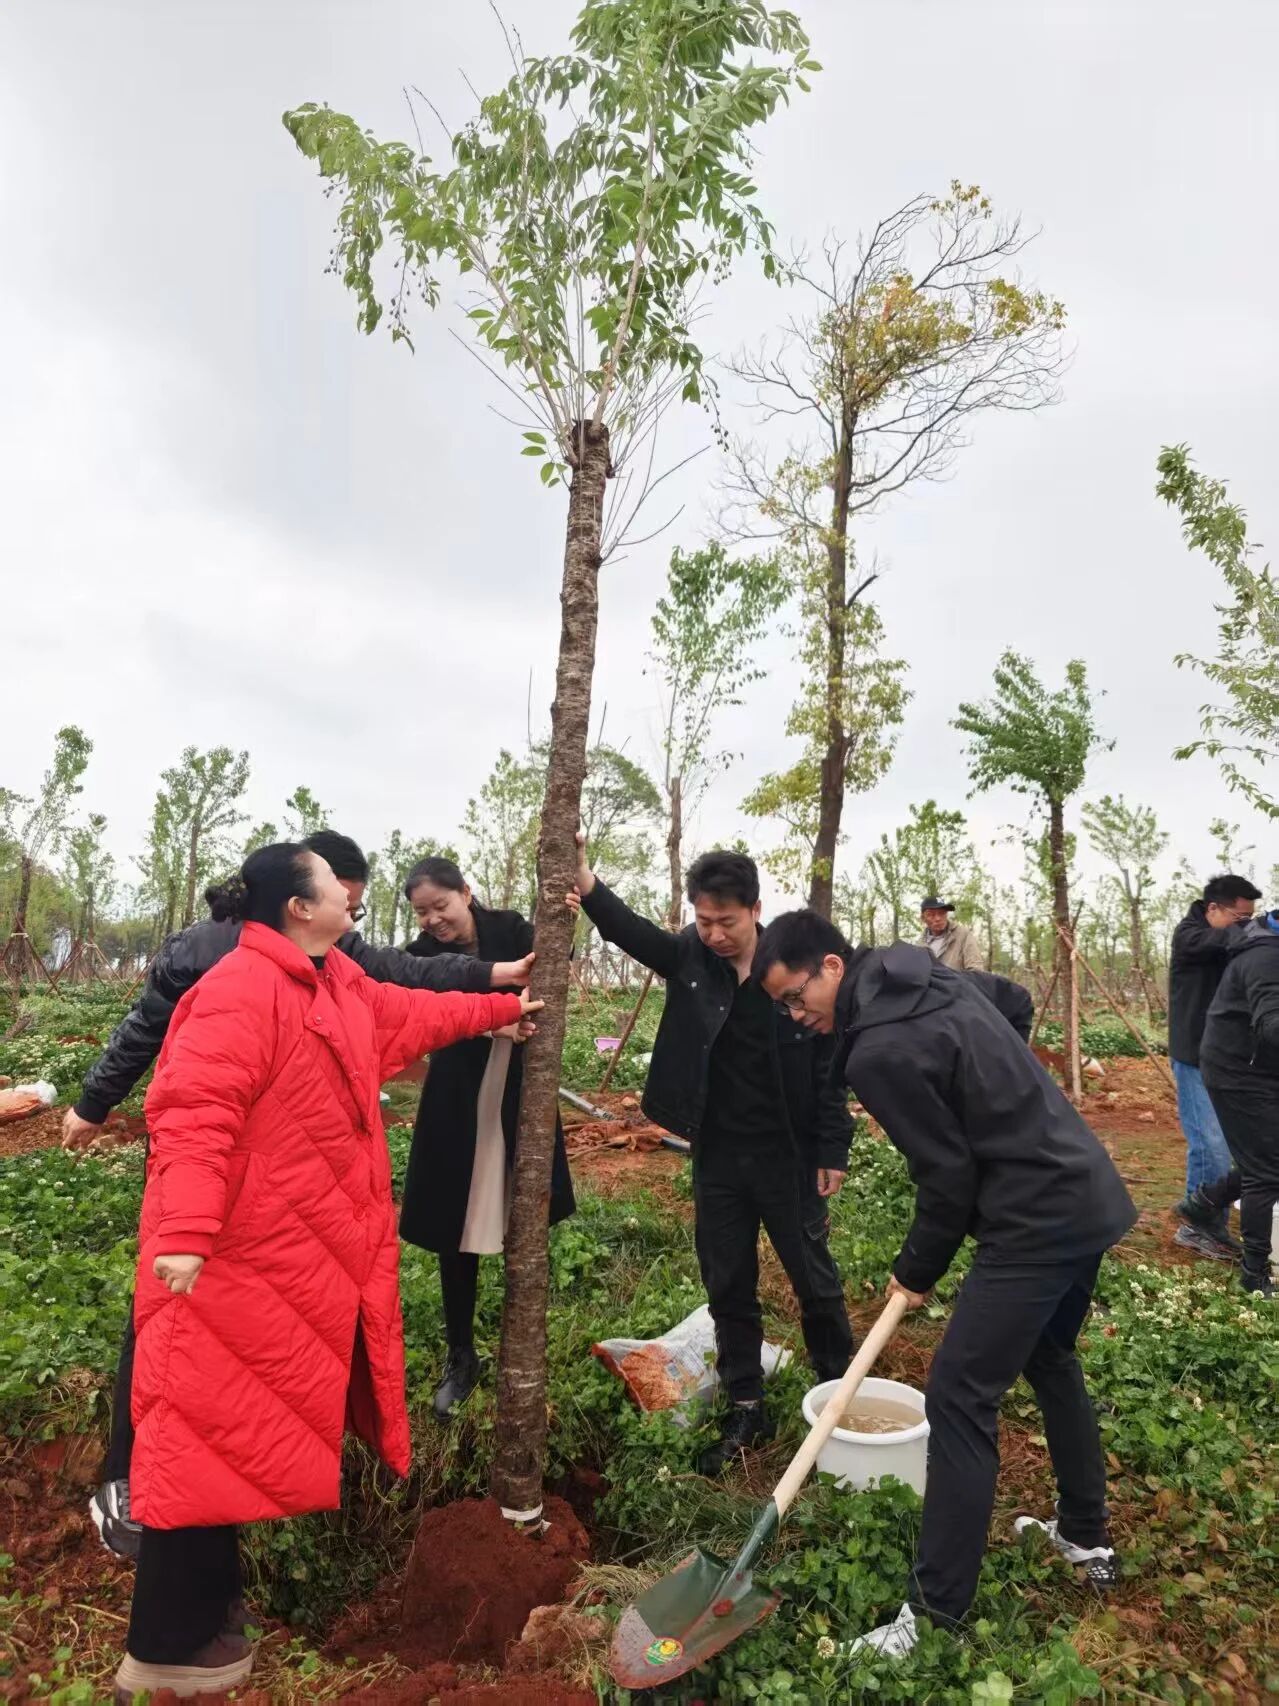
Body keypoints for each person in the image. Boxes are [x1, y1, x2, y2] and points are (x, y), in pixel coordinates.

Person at [112, 843, 536, 1701]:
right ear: (297, 908)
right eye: (334, 889)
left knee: (224, 1437)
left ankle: (207, 1629)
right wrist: (188, 1231)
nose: (352, 898)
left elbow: (407, 1015)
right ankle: (164, 1649)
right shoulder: (238, 989)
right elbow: (195, 1109)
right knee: (198, 1437)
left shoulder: (331, 981)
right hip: (229, 1261)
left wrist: (495, 1008)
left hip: (289, 1258)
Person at [754, 911, 1136, 1658]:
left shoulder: (878, 1051)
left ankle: (932, 1619)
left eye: (796, 999)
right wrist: (1005, 1097)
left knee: (959, 1397)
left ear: (832, 966)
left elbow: (948, 1176)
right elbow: (1015, 1002)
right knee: (1050, 1360)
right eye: (784, 1009)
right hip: (1085, 1190)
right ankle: (1085, 1536)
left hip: (1032, 1222)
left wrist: (915, 1270)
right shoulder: (926, 976)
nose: (797, 1019)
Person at [574, 838, 854, 1477]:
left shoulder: (791, 973)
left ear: (756, 910)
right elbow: (629, 932)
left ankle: (839, 1389)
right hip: (718, 1155)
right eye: (703, 920)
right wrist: (588, 882)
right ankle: (745, 1401)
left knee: (813, 1276)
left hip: (788, 1153)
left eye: (726, 922)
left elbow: (829, 1069)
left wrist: (832, 1147)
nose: (714, 934)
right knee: (728, 1280)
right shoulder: (690, 957)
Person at [398, 857, 577, 1417]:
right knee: (458, 1224)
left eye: (440, 906)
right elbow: (417, 1008)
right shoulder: (419, 958)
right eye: (421, 912)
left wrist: (566, 916)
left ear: (466, 893)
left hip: (520, 1091)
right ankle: (461, 1355)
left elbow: (557, 954)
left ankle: (523, 1341)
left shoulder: (511, 929)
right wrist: (487, 1018)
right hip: (460, 1097)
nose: (432, 920)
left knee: (523, 1213)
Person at [1184, 907, 1279, 1299]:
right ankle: (1254, 1276)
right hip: (1236, 1070)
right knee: (1268, 1172)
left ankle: (1204, 1203)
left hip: (1259, 1065)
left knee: (1267, 1158)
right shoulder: (1265, 957)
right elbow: (1273, 1026)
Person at [1167, 874, 1260, 1260]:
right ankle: (1198, 1228)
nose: (1245, 925)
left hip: (1231, 1059)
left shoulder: (1228, 934)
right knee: (1211, 1145)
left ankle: (1209, 1215)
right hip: (1195, 1056)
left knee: (1244, 1146)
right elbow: (1219, 940)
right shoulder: (1191, 935)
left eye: (1250, 917)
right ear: (1213, 909)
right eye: (1240, 918)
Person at [919, 897, 984, 971]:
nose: (938, 918)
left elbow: (976, 969)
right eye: (931, 914)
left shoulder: (963, 935)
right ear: (923, 918)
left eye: (942, 913)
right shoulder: (920, 945)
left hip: (960, 982)